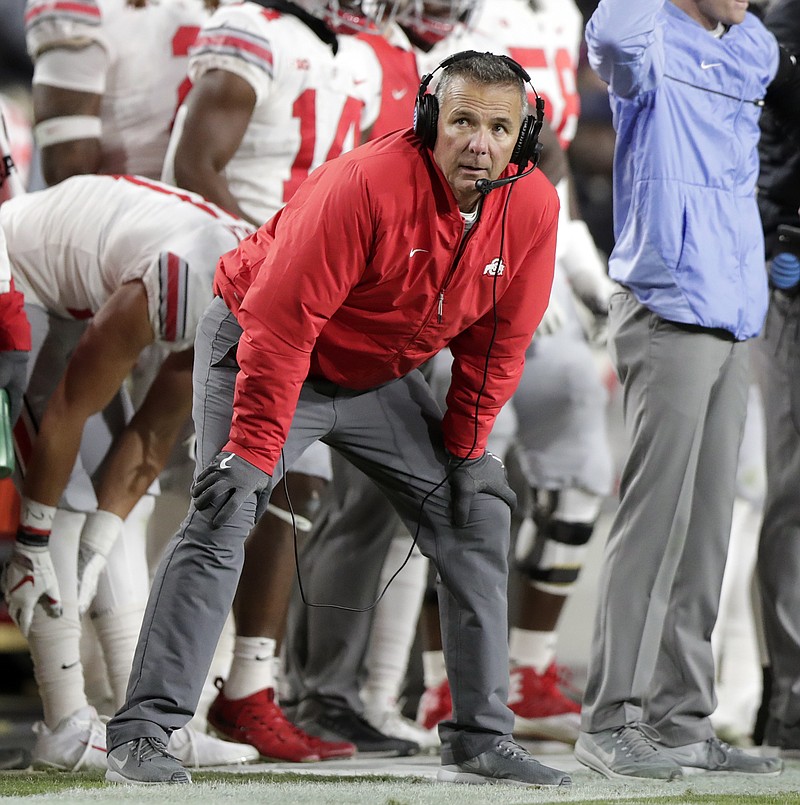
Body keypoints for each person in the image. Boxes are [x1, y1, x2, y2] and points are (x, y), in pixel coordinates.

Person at [103, 51, 571, 788]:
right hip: (266, 342)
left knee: (475, 507)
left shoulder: (534, 208)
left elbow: (497, 342)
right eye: (463, 122)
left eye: (499, 127)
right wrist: (252, 449)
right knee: (227, 508)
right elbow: (283, 321)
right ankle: (143, 733)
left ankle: (481, 735)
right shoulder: (367, 184)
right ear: (429, 121)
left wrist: (465, 450)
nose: (479, 142)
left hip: (371, 373)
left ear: (525, 136)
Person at [162, 0, 396, 762]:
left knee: (299, 490)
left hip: (309, 296)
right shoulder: (251, 27)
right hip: (236, 274)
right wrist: (275, 271)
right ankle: (158, 698)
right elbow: (192, 166)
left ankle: (246, 690)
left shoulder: (358, 56)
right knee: (204, 488)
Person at [574, 0, 800, 781]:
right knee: (655, 525)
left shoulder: (753, 45)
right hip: (667, 301)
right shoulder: (644, 36)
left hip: (735, 309)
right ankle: (612, 719)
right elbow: (609, 35)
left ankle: (681, 719)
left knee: (707, 531)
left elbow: (757, 47)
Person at [0, 173, 258, 771]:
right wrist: (33, 539)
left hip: (81, 286)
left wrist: (106, 535)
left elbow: (150, 436)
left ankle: (142, 724)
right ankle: (65, 726)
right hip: (22, 277)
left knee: (119, 510)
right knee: (62, 509)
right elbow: (69, 406)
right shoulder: (188, 280)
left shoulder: (247, 290)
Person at [752, 0, 800, 761]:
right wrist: (774, 236)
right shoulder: (783, 18)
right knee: (796, 487)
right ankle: (791, 690)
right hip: (793, 273)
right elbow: (769, 138)